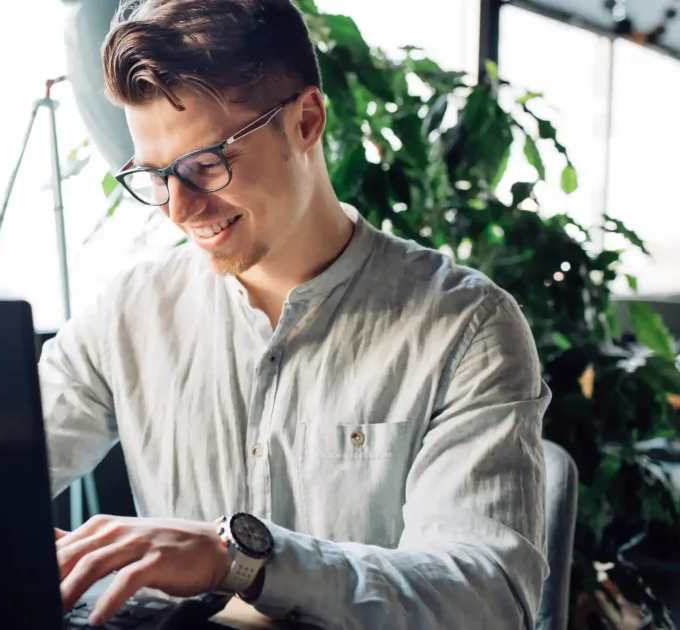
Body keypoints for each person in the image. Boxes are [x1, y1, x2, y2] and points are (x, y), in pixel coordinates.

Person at [39, 0, 550, 628]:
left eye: (206, 165)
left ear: (306, 121)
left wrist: (241, 560)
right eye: (155, 176)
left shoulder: (466, 328)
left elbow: (488, 599)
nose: (180, 209)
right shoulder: (127, 314)